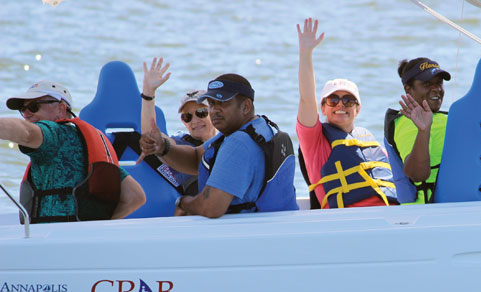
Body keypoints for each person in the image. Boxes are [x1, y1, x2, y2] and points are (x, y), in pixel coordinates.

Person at [138, 73, 298, 218]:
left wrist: (183, 202)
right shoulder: (262, 128)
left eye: (222, 102)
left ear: (246, 106)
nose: (214, 110)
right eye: (212, 104)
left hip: (247, 237)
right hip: (277, 227)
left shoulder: (238, 143)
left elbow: (211, 208)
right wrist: (163, 147)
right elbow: (195, 159)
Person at [1, 80, 145, 223]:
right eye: (22, 109)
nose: (26, 114)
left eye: (33, 107)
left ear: (61, 109)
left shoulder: (53, 134)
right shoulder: (87, 144)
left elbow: (26, 132)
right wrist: (99, 225)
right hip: (81, 238)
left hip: (50, 238)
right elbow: (135, 196)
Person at [296, 17, 398, 209]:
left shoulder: (368, 140)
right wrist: (305, 53)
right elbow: (306, 99)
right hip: (348, 220)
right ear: (323, 108)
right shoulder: (314, 141)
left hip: (390, 216)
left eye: (348, 100)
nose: (340, 105)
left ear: (358, 109)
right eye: (333, 100)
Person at [140, 57, 217, 198]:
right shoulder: (179, 145)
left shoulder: (228, 141)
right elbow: (152, 137)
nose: (195, 121)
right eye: (187, 117)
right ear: (183, 122)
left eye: (201, 113)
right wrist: (148, 94)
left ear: (214, 113)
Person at [386, 57, 451, 204]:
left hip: (461, 203)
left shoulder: (449, 118)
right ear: (408, 89)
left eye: (439, 83)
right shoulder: (407, 122)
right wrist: (424, 130)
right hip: (429, 211)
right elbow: (417, 174)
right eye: (427, 84)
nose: (436, 89)